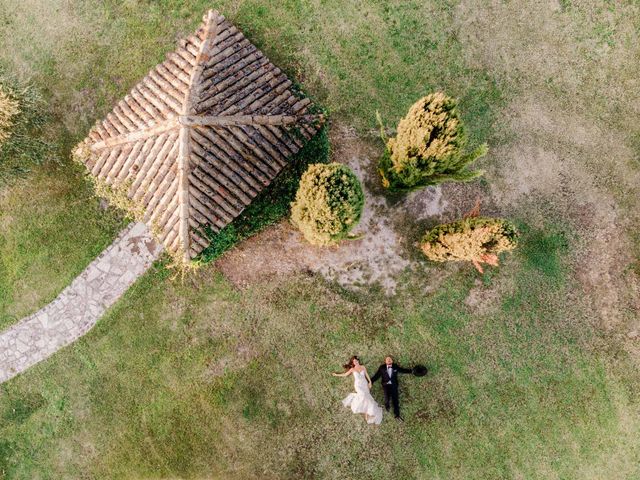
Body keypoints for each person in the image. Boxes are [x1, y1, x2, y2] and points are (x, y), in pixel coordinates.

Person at [332, 356, 383, 425]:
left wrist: (370, 382)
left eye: (356, 360)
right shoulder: (352, 369)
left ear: (358, 361)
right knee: (363, 396)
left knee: (367, 397)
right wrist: (336, 375)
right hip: (358, 385)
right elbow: (345, 374)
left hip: (364, 384)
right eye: (354, 361)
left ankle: (367, 412)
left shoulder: (363, 367)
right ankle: (364, 410)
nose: (356, 362)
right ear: (353, 363)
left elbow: (367, 375)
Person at [370, 356, 412, 421]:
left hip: (394, 385)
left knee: (395, 400)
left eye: (390, 359)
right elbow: (376, 376)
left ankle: (397, 415)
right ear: (385, 361)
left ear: (392, 361)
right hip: (385, 385)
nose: (389, 360)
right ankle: (387, 406)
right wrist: (370, 381)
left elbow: (403, 370)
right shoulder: (382, 368)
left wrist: (412, 371)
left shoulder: (395, 366)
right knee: (387, 397)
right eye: (387, 359)